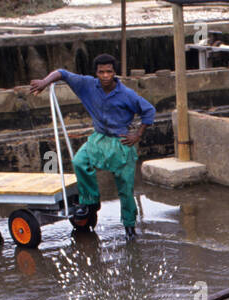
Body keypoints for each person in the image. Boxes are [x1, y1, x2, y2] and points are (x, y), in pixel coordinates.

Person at [29, 54, 155, 240]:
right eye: (101, 72)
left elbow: (149, 110)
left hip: (120, 142)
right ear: (96, 73)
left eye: (109, 72)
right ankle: (90, 202)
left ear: (114, 73)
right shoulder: (87, 85)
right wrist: (45, 82)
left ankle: (129, 226)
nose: (105, 76)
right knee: (80, 161)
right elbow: (62, 73)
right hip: (99, 138)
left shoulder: (126, 94)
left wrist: (137, 135)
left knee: (125, 188)